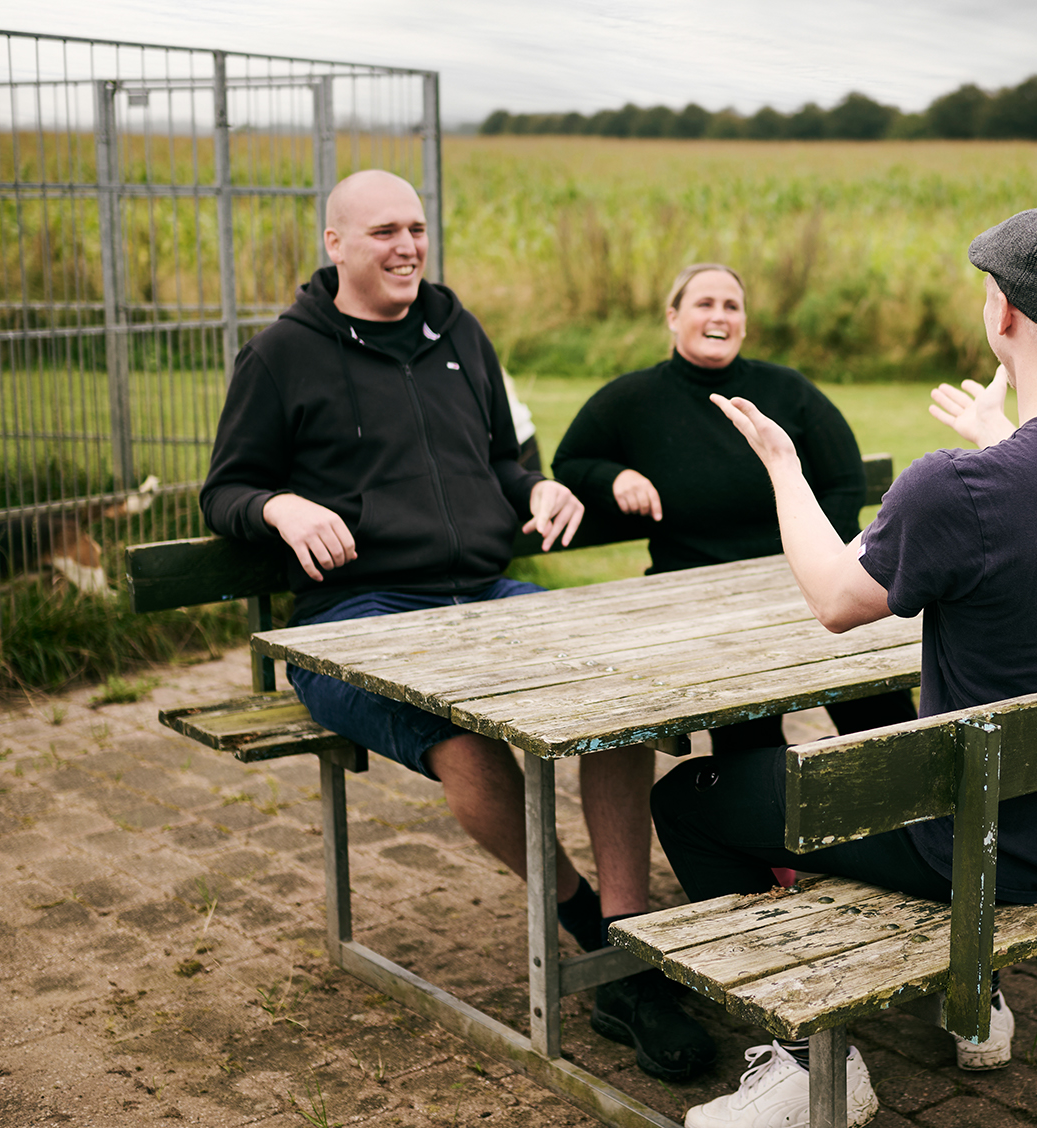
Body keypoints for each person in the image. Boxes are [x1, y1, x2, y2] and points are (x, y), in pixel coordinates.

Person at [652, 206, 1037, 1128]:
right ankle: (974, 994)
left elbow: (836, 600)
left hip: (988, 850)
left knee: (689, 800)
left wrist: (785, 469)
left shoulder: (957, 488)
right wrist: (1006, 438)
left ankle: (806, 1065)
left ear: (1003, 317)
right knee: (879, 749)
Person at [200, 169, 716, 1081]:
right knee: (469, 743)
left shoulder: (456, 331)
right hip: (354, 619)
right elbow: (226, 490)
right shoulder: (282, 356)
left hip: (482, 592)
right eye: (384, 233)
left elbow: (504, 457)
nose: (407, 248)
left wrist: (541, 486)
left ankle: (628, 954)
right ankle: (586, 924)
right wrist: (279, 507)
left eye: (417, 228)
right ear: (335, 245)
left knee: (618, 693)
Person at [550, 263, 915, 754]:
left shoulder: (788, 390)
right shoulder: (633, 398)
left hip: (796, 586)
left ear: (743, 322)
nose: (718, 316)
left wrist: (818, 558)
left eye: (731, 306)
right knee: (750, 738)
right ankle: (761, 817)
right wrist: (614, 476)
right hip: (697, 599)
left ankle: (905, 814)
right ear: (673, 317)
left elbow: (845, 480)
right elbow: (570, 459)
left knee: (881, 713)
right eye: (704, 304)